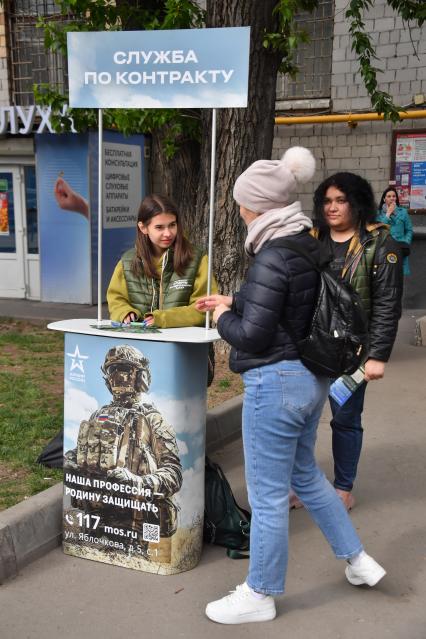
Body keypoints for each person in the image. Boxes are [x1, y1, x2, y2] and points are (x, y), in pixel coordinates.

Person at [196, 149, 386, 625]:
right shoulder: (306, 240)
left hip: (274, 384)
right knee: (307, 479)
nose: (239, 209)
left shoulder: (270, 254)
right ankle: (359, 561)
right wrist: (239, 298)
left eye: (241, 203)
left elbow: (251, 334)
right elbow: (294, 298)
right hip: (310, 380)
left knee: (266, 495)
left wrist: (223, 314)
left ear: (255, 206)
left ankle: (259, 593)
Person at [310, 173, 403, 510]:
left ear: (358, 202)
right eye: (328, 201)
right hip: (309, 346)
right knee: (300, 420)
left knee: (345, 418)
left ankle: (343, 489)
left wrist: (377, 356)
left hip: (352, 352)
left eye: (341, 200)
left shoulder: (379, 244)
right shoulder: (312, 238)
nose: (332, 208)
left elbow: (387, 304)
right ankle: (303, 486)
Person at [64, 344, 183, 556]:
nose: (118, 375)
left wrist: (137, 482)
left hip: (133, 527)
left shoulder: (152, 419)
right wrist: (71, 463)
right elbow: (82, 453)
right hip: (95, 522)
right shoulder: (99, 415)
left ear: (140, 376)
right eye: (112, 370)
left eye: (125, 368)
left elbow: (173, 473)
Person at [107, 194, 217, 328]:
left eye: (172, 225)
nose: (168, 233)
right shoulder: (127, 261)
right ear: (143, 228)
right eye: (159, 227)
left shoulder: (197, 259)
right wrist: (124, 312)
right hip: (140, 343)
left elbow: (205, 307)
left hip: (184, 344)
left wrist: (163, 319)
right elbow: (116, 299)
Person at [376, 187, 413, 275]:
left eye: (393, 196)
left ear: (396, 198)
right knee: (386, 276)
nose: (392, 198)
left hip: (401, 248)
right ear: (384, 199)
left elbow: (409, 230)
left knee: (400, 277)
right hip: (385, 248)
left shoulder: (403, 212)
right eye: (389, 196)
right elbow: (379, 229)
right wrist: (388, 214)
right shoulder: (379, 213)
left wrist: (406, 241)